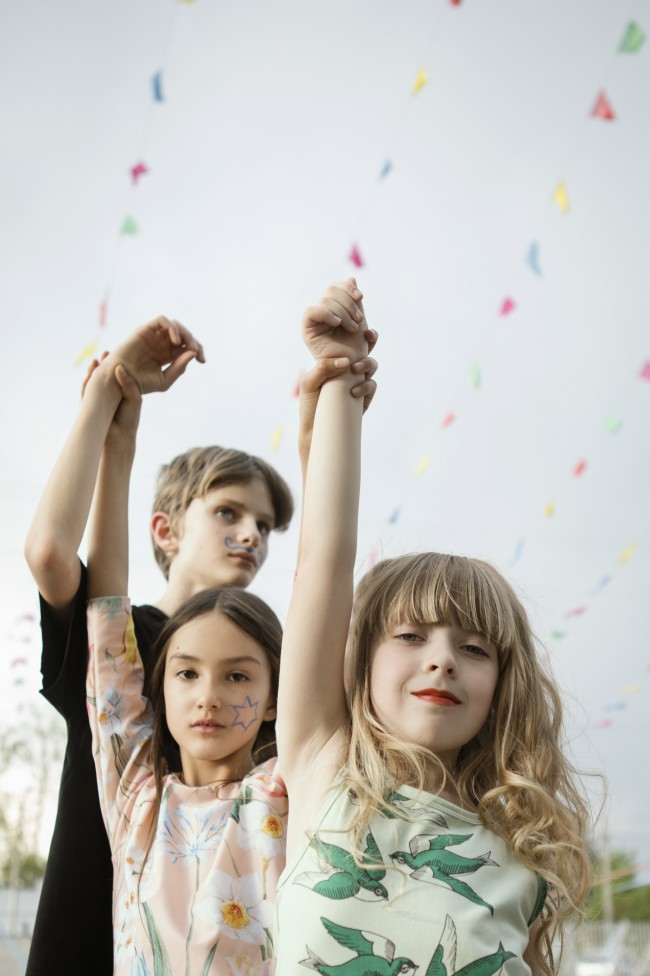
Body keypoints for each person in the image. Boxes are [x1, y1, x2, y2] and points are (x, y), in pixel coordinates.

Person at [24, 314, 377, 975]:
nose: (251, 535)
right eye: (228, 513)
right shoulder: (124, 677)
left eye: (266, 525)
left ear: (269, 691)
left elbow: (323, 575)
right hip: (85, 930)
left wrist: (323, 425)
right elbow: (57, 558)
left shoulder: (273, 759)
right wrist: (110, 400)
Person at [275, 281, 592, 976]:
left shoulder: (525, 853)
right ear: (359, 661)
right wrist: (339, 385)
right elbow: (324, 556)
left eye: (473, 648)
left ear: (503, 684)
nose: (442, 660)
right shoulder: (325, 765)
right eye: (412, 636)